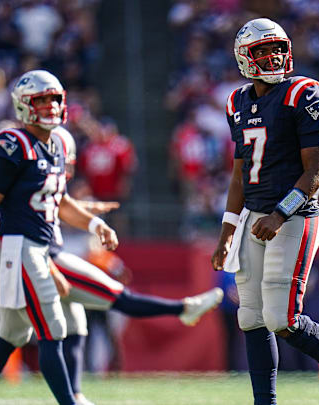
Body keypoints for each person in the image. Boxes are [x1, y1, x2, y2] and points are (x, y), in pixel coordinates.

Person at [211, 18, 319, 405]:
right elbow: (239, 176)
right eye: (262, 51)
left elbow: (317, 171)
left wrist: (280, 214)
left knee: (282, 318)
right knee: (250, 317)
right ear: (244, 58)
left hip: (295, 215)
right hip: (253, 217)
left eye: (277, 49)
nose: (272, 57)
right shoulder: (237, 101)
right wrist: (227, 233)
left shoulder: (303, 93)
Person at [0, 69, 113, 405]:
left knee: (10, 334)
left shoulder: (56, 144)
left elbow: (58, 201)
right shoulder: (12, 143)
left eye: (54, 99)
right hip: (17, 248)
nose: (50, 106)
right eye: (41, 99)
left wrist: (94, 222)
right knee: (52, 329)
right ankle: (70, 401)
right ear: (24, 105)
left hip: (38, 249)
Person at [49, 126, 223, 405]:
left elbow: (61, 204)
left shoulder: (46, 182)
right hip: (40, 258)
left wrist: (93, 221)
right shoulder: (35, 176)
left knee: (19, 332)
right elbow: (48, 210)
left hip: (39, 257)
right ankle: (182, 308)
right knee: (117, 298)